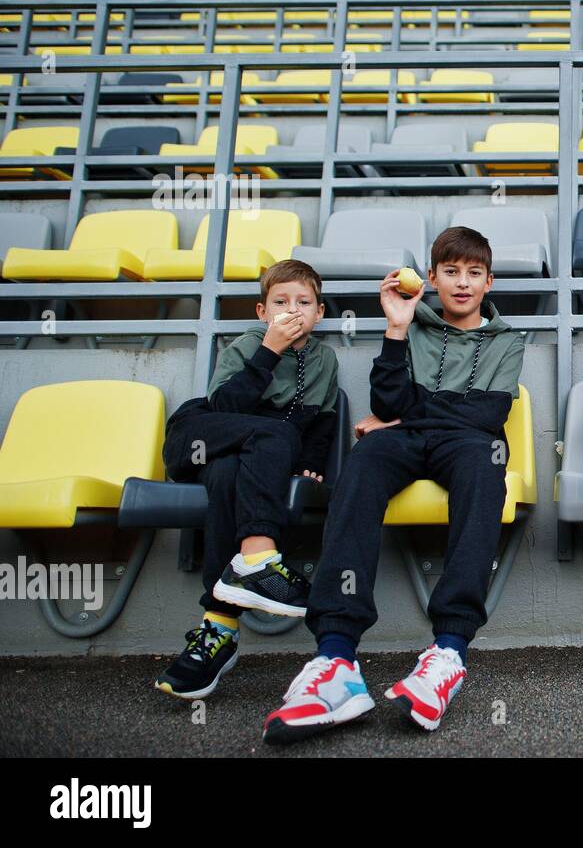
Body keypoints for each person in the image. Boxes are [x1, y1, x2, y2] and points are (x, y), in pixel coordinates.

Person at [263, 226, 525, 742]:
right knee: (363, 460)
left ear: (489, 281)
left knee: (485, 465)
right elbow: (387, 400)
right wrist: (397, 329)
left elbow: (488, 413)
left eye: (474, 273)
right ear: (431, 278)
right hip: (406, 440)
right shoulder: (413, 325)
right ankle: (336, 658)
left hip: (468, 445)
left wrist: (409, 415)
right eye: (451, 272)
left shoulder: (508, 340)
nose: (463, 283)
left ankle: (448, 650)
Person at [155, 259, 337, 700]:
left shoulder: (324, 359)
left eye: (303, 302)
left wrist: (310, 461)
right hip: (201, 435)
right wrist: (270, 349)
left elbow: (324, 420)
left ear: (320, 312)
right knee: (273, 432)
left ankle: (218, 629)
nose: (292, 309)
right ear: (262, 312)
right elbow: (224, 409)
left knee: (228, 478)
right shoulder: (247, 345)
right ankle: (259, 557)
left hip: (239, 462)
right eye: (280, 302)